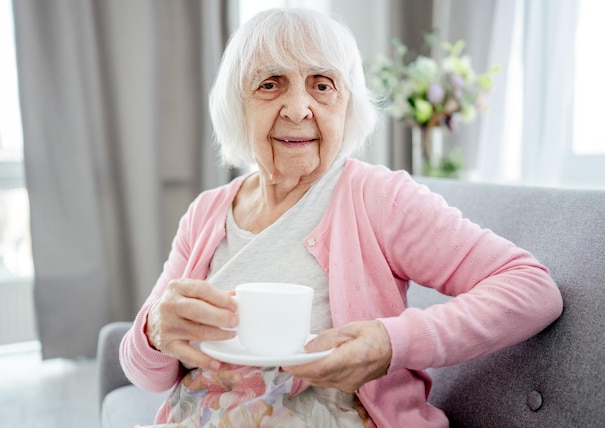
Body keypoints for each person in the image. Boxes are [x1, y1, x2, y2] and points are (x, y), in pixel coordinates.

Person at [120, 8, 563, 428]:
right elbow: (147, 374)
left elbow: (531, 287)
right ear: (238, 104)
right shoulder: (206, 212)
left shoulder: (377, 197)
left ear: (347, 103)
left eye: (322, 84)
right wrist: (154, 330)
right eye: (270, 84)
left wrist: (391, 342)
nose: (297, 109)